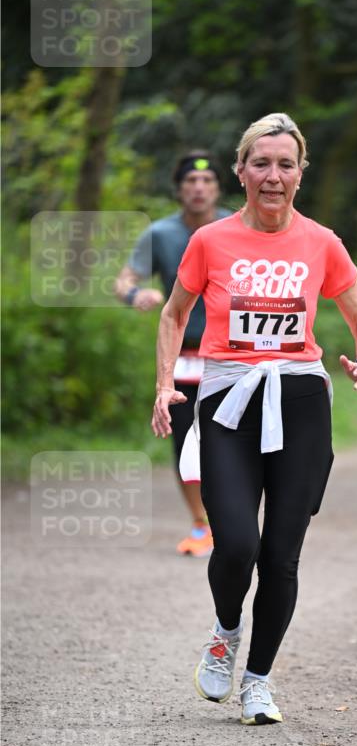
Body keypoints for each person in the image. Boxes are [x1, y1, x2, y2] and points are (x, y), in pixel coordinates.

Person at [151, 112, 357, 724]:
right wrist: (163, 384)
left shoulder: (322, 242)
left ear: (300, 174)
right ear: (241, 171)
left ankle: (258, 681)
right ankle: (227, 631)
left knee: (281, 556)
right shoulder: (211, 240)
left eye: (285, 165)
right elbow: (174, 314)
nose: (273, 176)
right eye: (261, 164)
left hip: (301, 402)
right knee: (237, 545)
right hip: (228, 402)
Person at [115, 151, 233, 556]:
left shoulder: (237, 227)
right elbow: (123, 280)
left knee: (239, 438)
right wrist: (137, 293)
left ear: (218, 188)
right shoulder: (161, 234)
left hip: (234, 354)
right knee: (187, 442)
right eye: (190, 183)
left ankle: (234, 519)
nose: (198, 189)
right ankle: (202, 526)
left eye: (207, 182)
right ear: (180, 190)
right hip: (184, 353)